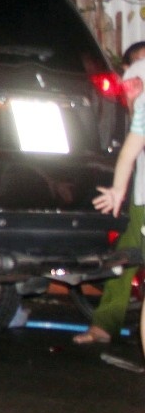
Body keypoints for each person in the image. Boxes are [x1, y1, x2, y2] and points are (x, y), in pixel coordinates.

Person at [76, 40, 145, 344]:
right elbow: (130, 147)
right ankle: (104, 323)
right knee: (124, 259)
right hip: (140, 198)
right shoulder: (131, 90)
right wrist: (118, 189)